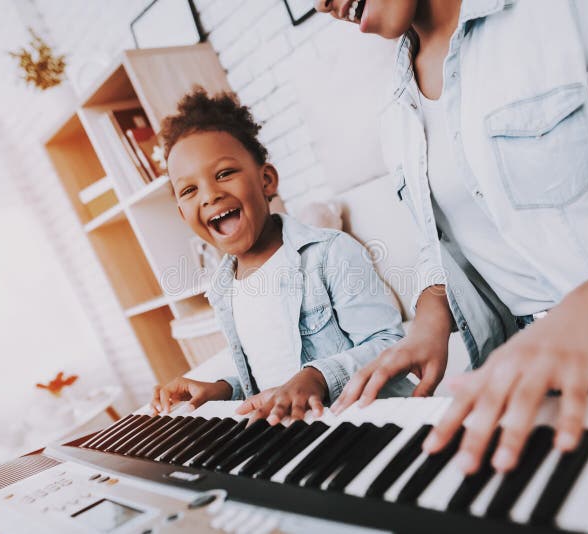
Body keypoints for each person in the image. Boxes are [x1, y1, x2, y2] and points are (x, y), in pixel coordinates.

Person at [315, 0, 588, 475]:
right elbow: (439, 242)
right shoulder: (394, 111)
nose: (319, 3)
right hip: (530, 366)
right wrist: (428, 321)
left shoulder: (574, 11)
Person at [151, 89, 414, 423]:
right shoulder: (223, 290)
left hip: (367, 424)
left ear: (267, 180)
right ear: (181, 213)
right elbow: (269, 380)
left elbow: (389, 345)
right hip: (293, 436)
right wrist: (223, 389)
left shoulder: (329, 253)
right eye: (189, 190)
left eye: (224, 174)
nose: (210, 195)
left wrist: (317, 377)